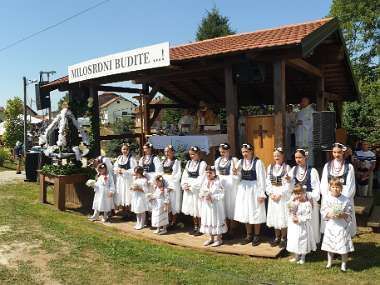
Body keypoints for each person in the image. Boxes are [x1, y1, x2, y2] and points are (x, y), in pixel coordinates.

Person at [233, 143, 266, 246]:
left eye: (246, 151)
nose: (244, 154)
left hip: (254, 189)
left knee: (255, 211)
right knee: (246, 211)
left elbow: (262, 179)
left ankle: (257, 235)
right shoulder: (240, 162)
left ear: (251, 151)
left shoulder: (258, 162)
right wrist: (236, 173)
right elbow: (238, 177)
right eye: (243, 152)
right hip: (244, 189)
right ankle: (248, 235)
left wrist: (261, 194)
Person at [320, 143, 356, 237]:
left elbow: (350, 185)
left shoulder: (349, 167)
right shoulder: (327, 166)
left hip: (343, 199)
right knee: (331, 221)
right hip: (329, 198)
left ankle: (344, 240)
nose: (336, 154)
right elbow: (324, 183)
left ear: (343, 152)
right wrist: (329, 197)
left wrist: (340, 198)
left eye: (339, 152)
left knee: (343, 222)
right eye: (334, 152)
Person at [288, 149, 321, 244]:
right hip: (296, 199)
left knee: (309, 222)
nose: (298, 160)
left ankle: (310, 243)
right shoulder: (293, 170)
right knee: (295, 221)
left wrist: (308, 196)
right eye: (296, 157)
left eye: (300, 157)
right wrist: (288, 181)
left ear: (305, 157)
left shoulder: (312, 171)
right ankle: (297, 243)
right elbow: (290, 186)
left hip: (308, 200)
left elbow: (316, 188)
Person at [321, 178, 354, 272]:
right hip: (331, 224)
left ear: (341, 188)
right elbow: (323, 210)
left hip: (342, 225)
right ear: (330, 188)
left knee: (343, 244)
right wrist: (329, 214)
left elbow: (350, 212)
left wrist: (343, 215)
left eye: (337, 187)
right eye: (333, 187)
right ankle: (329, 262)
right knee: (330, 245)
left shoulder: (345, 200)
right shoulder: (327, 198)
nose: (335, 189)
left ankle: (343, 264)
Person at [266, 147, 291, 248]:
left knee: (282, 215)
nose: (276, 157)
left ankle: (284, 238)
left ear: (282, 156)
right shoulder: (270, 167)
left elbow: (288, 184)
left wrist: (280, 194)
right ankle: (277, 237)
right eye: (275, 155)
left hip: (282, 195)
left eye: (278, 155)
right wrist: (271, 194)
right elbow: (267, 182)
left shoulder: (287, 168)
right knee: (275, 215)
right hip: (273, 194)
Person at [286, 183, 317, 264]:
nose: (298, 195)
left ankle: (303, 257)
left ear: (304, 193)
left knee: (303, 240)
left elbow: (308, 216)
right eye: (296, 193)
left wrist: (299, 219)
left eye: (300, 193)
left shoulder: (307, 204)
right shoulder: (293, 202)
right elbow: (289, 210)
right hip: (294, 226)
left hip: (303, 226)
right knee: (294, 239)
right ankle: (296, 256)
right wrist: (292, 213)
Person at [181, 146, 207, 236]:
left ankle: (201, 227)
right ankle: (195, 226)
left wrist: (192, 186)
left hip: (196, 190)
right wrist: (184, 185)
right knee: (192, 208)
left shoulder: (202, 164)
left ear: (198, 154)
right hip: (188, 188)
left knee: (198, 208)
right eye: (190, 154)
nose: (191, 156)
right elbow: (185, 175)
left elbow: (202, 177)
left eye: (193, 154)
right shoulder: (188, 163)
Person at [214, 143, 239, 238]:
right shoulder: (218, 161)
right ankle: (225, 228)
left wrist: (234, 175)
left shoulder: (234, 160)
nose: (222, 154)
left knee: (231, 206)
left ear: (228, 151)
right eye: (220, 152)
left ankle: (233, 229)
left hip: (230, 187)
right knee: (223, 207)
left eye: (223, 152)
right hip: (221, 186)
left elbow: (237, 174)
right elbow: (216, 173)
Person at [199, 166, 227, 247]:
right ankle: (210, 238)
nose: (208, 174)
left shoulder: (218, 182)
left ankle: (218, 239)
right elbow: (201, 191)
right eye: (207, 172)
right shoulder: (205, 182)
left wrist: (212, 196)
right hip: (207, 205)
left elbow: (222, 193)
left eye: (210, 172)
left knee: (216, 220)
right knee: (209, 219)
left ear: (214, 173)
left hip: (216, 205)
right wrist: (203, 195)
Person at [113, 143, 137, 216]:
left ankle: (129, 212)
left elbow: (134, 170)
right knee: (121, 194)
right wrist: (118, 170)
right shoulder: (119, 158)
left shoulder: (131, 159)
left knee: (127, 194)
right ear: (121, 150)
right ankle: (123, 211)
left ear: (128, 150)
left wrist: (125, 171)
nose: (125, 151)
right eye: (123, 149)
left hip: (128, 180)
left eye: (126, 149)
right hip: (120, 179)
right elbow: (115, 167)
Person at [161, 145, 182, 228]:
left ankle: (173, 221)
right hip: (165, 182)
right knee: (166, 202)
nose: (166, 153)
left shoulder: (176, 161)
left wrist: (171, 186)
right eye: (165, 151)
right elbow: (161, 172)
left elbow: (177, 174)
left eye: (168, 151)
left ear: (172, 152)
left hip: (172, 184)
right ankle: (168, 220)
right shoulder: (163, 161)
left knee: (173, 202)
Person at [295, 97, 315, 166]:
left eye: (304, 101)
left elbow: (313, 122)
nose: (302, 102)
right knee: (300, 152)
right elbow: (296, 122)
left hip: (307, 136)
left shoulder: (311, 111)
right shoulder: (300, 112)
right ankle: (301, 166)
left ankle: (309, 166)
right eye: (302, 101)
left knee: (308, 153)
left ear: (308, 102)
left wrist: (303, 122)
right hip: (300, 135)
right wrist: (296, 123)